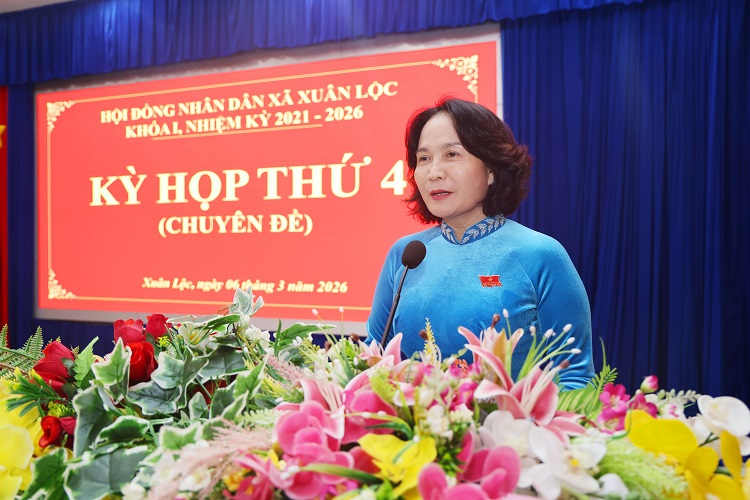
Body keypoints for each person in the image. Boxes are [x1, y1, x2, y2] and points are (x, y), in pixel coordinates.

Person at [366, 97, 594, 390]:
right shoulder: (406, 255)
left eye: (452, 154)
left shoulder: (540, 255)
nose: (434, 172)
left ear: (491, 170)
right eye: (424, 159)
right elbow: (373, 361)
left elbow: (575, 378)